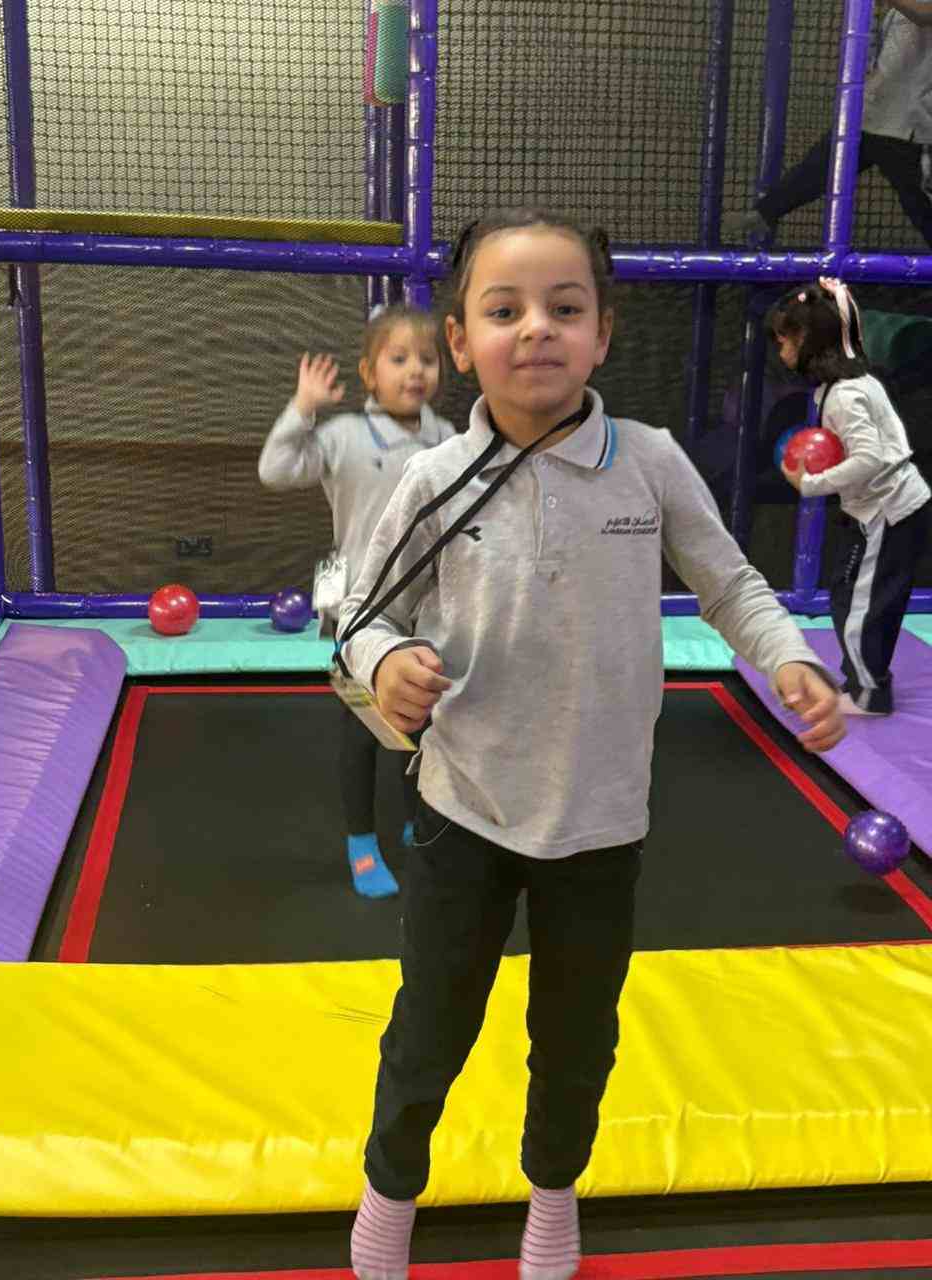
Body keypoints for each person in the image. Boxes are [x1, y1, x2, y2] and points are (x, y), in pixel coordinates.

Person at [336, 208, 845, 1280]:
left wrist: (786, 655)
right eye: (504, 310)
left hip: (602, 820)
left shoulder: (646, 463)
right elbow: (360, 616)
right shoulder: (433, 479)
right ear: (461, 342)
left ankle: (553, 1198)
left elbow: (731, 581)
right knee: (429, 1029)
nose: (537, 328)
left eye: (565, 308)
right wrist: (385, 661)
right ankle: (387, 1199)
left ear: (603, 334)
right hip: (464, 810)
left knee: (576, 1042)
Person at [259, 305, 456, 898]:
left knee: (420, 726)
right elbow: (276, 469)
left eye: (427, 359)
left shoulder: (448, 438)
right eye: (399, 359)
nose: (415, 370)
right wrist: (303, 408)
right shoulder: (344, 436)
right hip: (357, 610)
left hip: (425, 612)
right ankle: (361, 841)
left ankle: (416, 823)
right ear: (369, 373)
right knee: (363, 731)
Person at [772, 278, 931, 715]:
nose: (781, 350)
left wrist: (811, 483)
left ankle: (869, 693)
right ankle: (863, 679)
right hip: (881, 510)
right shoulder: (851, 382)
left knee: (860, 604)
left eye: (785, 340)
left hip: (888, 511)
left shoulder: (845, 394)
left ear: (809, 341)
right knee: (851, 595)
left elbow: (870, 459)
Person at [728, 0, 932, 247]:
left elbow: (923, 14)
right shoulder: (898, 12)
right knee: (820, 166)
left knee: (918, 203)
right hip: (870, 116)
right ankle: (764, 213)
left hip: (908, 128)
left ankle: (765, 212)